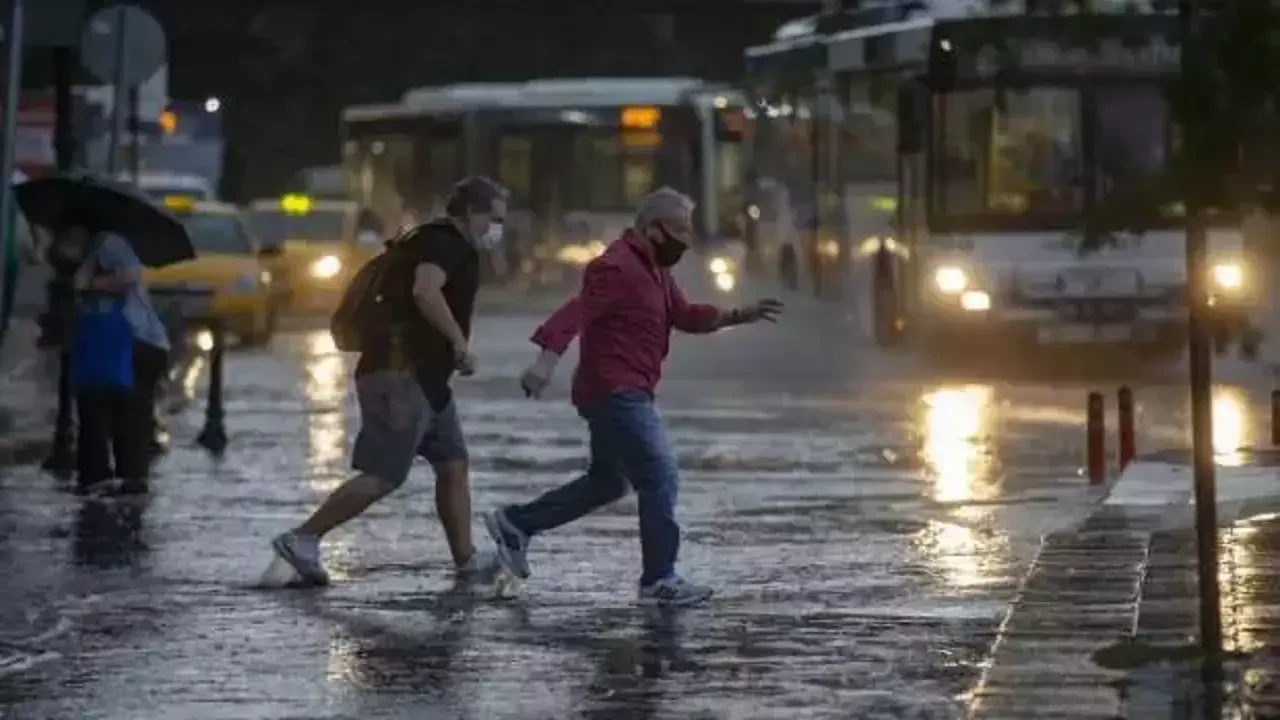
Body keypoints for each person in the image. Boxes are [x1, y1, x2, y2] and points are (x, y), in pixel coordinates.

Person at [485, 187, 784, 607]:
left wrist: (738, 315)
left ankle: (517, 523)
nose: (686, 239)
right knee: (660, 474)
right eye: (680, 229)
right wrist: (544, 364)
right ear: (652, 228)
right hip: (615, 390)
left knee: (609, 483)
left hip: (628, 389)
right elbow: (575, 313)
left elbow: (683, 316)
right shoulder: (615, 266)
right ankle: (659, 579)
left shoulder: (657, 271)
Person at [271, 176, 508, 586]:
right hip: (401, 375)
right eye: (495, 218)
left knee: (453, 464)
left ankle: (466, 558)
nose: (497, 229)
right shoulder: (443, 244)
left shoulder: (435, 241)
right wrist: (458, 343)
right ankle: (302, 538)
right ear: (473, 212)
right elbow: (426, 291)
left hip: (426, 380)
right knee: (385, 474)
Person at [61, 214, 170, 493]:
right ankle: (118, 483)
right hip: (125, 342)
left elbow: (130, 275)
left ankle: (114, 483)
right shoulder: (97, 246)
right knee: (116, 416)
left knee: (116, 414)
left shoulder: (109, 242)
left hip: (133, 341)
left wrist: (87, 284)